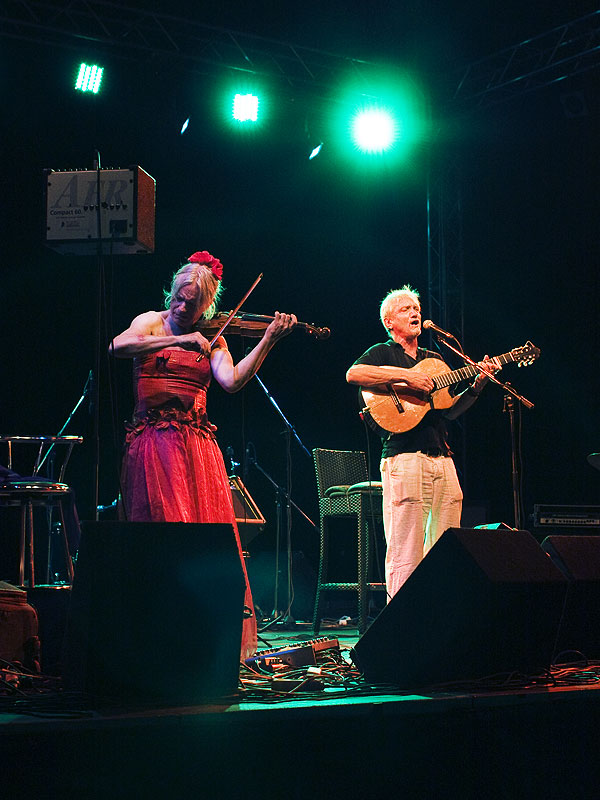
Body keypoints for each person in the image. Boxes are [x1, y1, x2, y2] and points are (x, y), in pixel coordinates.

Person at [110, 250, 297, 659]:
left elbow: (231, 381)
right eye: (178, 298)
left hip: (198, 450)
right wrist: (177, 339)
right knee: (166, 535)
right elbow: (118, 346)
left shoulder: (215, 339)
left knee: (208, 543)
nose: (182, 307)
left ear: (207, 305)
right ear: (172, 292)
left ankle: (205, 645)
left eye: (192, 304)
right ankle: (160, 640)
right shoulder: (151, 322)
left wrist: (267, 340)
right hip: (155, 444)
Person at [346, 285, 499, 599]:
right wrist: (406, 377)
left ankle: (436, 615)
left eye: (416, 308)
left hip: (442, 460)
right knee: (406, 549)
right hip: (404, 458)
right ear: (389, 322)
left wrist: (478, 384)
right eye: (405, 309)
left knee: (446, 547)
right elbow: (354, 374)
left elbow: (450, 410)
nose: (415, 313)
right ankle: (400, 622)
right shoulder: (383, 352)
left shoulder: (434, 359)